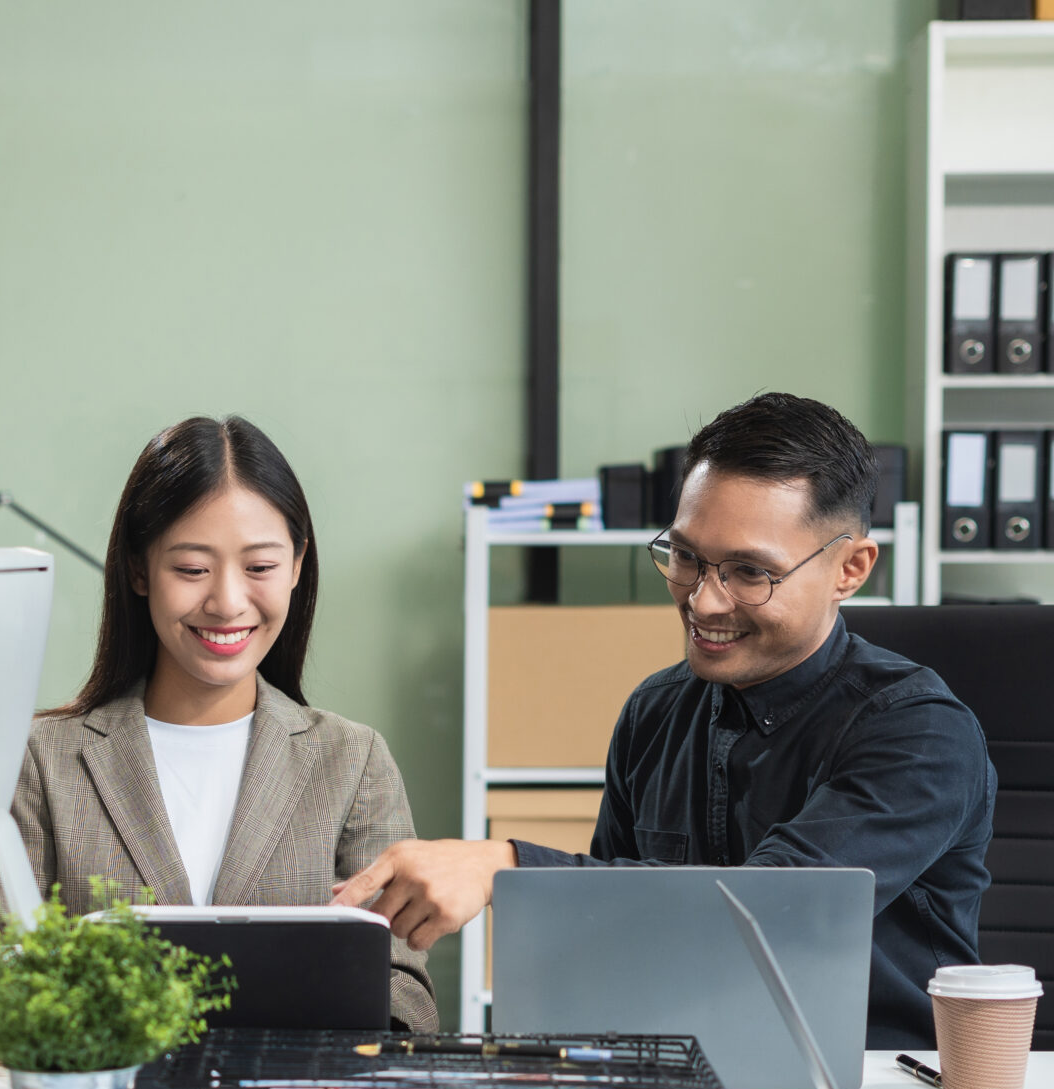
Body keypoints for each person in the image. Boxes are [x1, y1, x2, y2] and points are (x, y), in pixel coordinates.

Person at [336, 392, 994, 1048]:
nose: (704, 601)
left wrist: (506, 866)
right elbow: (602, 928)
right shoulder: (655, 711)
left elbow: (767, 916)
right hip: (680, 1077)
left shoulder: (921, 734)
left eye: (749, 571)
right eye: (685, 557)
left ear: (850, 569)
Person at [8, 415, 436, 1031]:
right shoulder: (42, 760)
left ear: (296, 566)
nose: (228, 601)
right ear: (137, 569)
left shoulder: (352, 759)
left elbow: (407, 993)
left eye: (259, 567)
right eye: (191, 570)